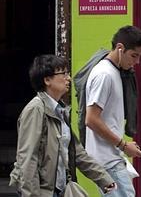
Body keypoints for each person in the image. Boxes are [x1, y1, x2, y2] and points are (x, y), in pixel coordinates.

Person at [9, 55, 116, 197]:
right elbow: (27, 159)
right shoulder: (36, 110)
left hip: (61, 190)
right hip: (43, 192)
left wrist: (103, 178)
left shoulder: (60, 110)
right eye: (63, 73)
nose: (69, 78)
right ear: (47, 80)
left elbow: (77, 152)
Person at [85, 25, 141, 197]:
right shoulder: (104, 74)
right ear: (120, 48)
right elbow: (91, 119)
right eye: (134, 56)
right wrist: (122, 145)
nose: (136, 62)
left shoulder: (114, 72)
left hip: (111, 157)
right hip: (107, 160)